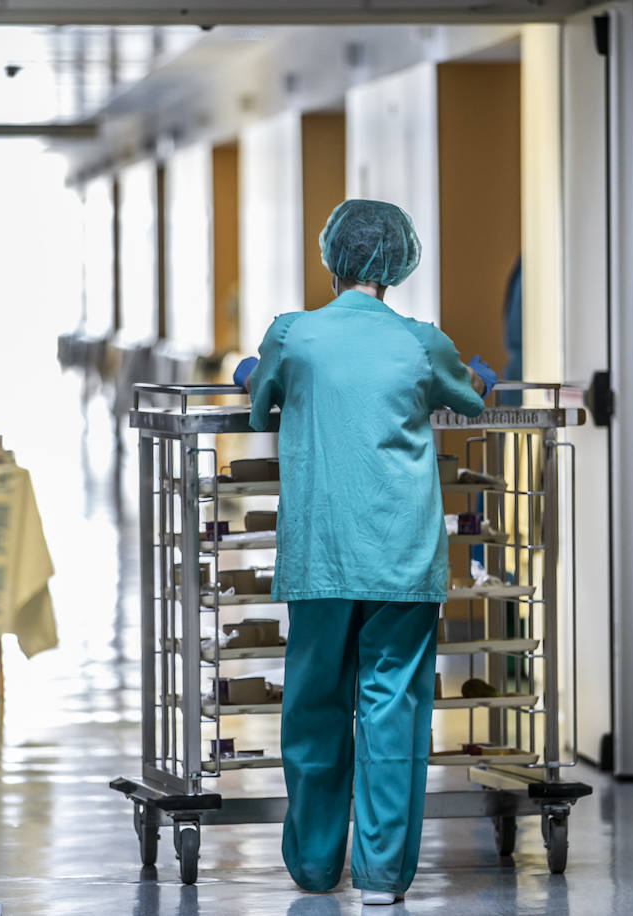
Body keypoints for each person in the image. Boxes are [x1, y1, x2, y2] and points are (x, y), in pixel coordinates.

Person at [231, 199, 497, 905]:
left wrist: (250, 375)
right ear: (400, 262)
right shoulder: (421, 342)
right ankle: (383, 878)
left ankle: (317, 869)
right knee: (393, 710)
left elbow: (260, 407)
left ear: (332, 256)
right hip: (401, 558)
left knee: (315, 707)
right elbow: (469, 402)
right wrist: (481, 376)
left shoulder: (293, 336)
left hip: (320, 556)